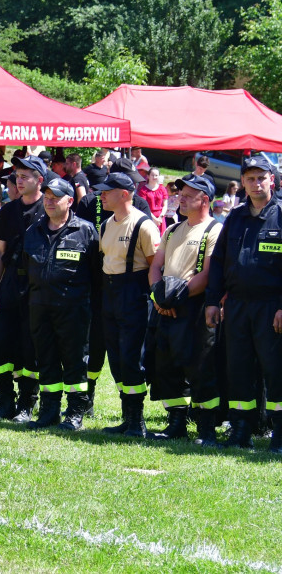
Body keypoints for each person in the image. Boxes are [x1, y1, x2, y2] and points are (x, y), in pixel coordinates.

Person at [206, 154, 282, 452]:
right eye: (250, 178)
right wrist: (213, 301)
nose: (255, 183)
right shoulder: (235, 217)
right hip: (236, 306)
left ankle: (279, 432)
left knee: (276, 369)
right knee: (238, 368)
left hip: (271, 306)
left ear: (271, 181)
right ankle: (240, 428)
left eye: (261, 177)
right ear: (244, 183)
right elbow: (219, 261)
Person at [148, 173, 221, 445]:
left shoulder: (215, 230)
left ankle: (206, 430)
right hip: (165, 306)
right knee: (165, 366)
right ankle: (175, 423)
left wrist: (175, 299)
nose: (181, 198)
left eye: (188, 195)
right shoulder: (171, 230)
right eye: (181, 194)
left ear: (205, 200)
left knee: (200, 367)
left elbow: (209, 274)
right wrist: (158, 297)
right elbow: (156, 266)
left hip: (194, 307)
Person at [22, 177, 101, 430]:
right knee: (46, 359)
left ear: (70, 201)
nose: (49, 201)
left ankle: (75, 412)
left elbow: (97, 273)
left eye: (56, 197)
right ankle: (49, 411)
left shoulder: (85, 231)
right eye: (46, 197)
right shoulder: (33, 230)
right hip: (40, 307)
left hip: (74, 309)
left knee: (76, 360)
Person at [95, 171, 161, 437]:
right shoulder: (106, 224)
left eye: (106, 192)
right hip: (110, 292)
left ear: (124, 194)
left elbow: (155, 263)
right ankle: (127, 417)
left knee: (132, 357)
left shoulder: (143, 225)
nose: (101, 196)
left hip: (134, 293)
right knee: (117, 358)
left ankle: (137, 421)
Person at [0, 155, 47, 422]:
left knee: (29, 347)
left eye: (25, 177)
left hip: (37, 285)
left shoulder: (50, 207)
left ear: (40, 180)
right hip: (10, 283)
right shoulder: (8, 210)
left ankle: (26, 403)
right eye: (17, 177)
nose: (19, 181)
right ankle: (4, 402)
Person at [138, 167, 168, 233]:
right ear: (148, 176)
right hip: (149, 216)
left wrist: (161, 216)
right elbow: (143, 206)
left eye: (156, 175)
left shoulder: (162, 189)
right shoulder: (143, 190)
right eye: (152, 175)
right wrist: (154, 219)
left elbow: (165, 205)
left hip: (160, 218)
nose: (154, 177)